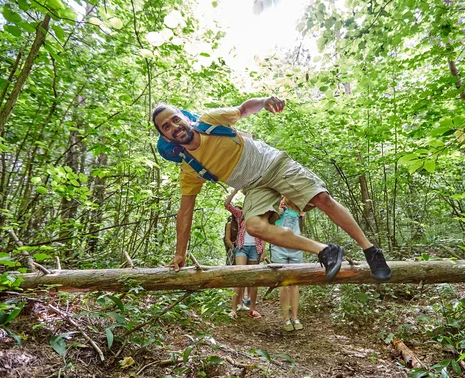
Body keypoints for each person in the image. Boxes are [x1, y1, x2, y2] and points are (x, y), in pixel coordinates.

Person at [152, 96, 391, 281]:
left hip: (272, 164)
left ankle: (371, 251)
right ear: (166, 138)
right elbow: (185, 212)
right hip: (253, 187)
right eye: (166, 127)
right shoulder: (189, 169)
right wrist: (179, 253)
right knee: (255, 227)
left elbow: (243, 109)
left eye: (175, 119)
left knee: (321, 198)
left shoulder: (210, 120)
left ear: (184, 117)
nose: (174, 126)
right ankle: (326, 251)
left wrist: (265, 101)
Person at [224, 189, 264, 319]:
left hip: (255, 248)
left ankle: (253, 309)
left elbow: (264, 233)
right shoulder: (241, 214)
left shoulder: (261, 214)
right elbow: (227, 204)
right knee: (240, 276)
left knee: (253, 280)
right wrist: (235, 190)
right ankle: (233, 309)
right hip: (242, 247)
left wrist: (262, 250)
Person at [271, 197, 305, 332]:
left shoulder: (299, 209)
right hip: (279, 247)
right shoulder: (278, 206)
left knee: (294, 284)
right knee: (283, 285)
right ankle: (286, 318)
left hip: (296, 247)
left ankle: (296, 317)